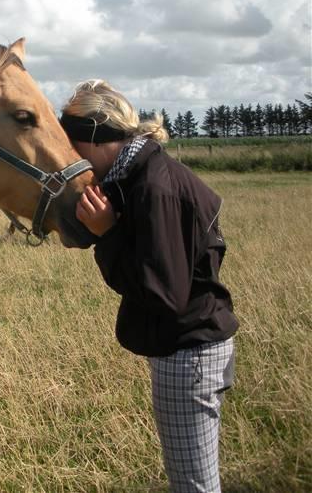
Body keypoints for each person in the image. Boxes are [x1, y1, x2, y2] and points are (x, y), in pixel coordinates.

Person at [61, 80, 238, 493]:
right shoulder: (138, 175)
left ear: (94, 137)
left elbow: (164, 294)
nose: (70, 159)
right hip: (193, 347)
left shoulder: (154, 186)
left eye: (72, 146)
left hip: (187, 353)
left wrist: (108, 233)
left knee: (193, 487)